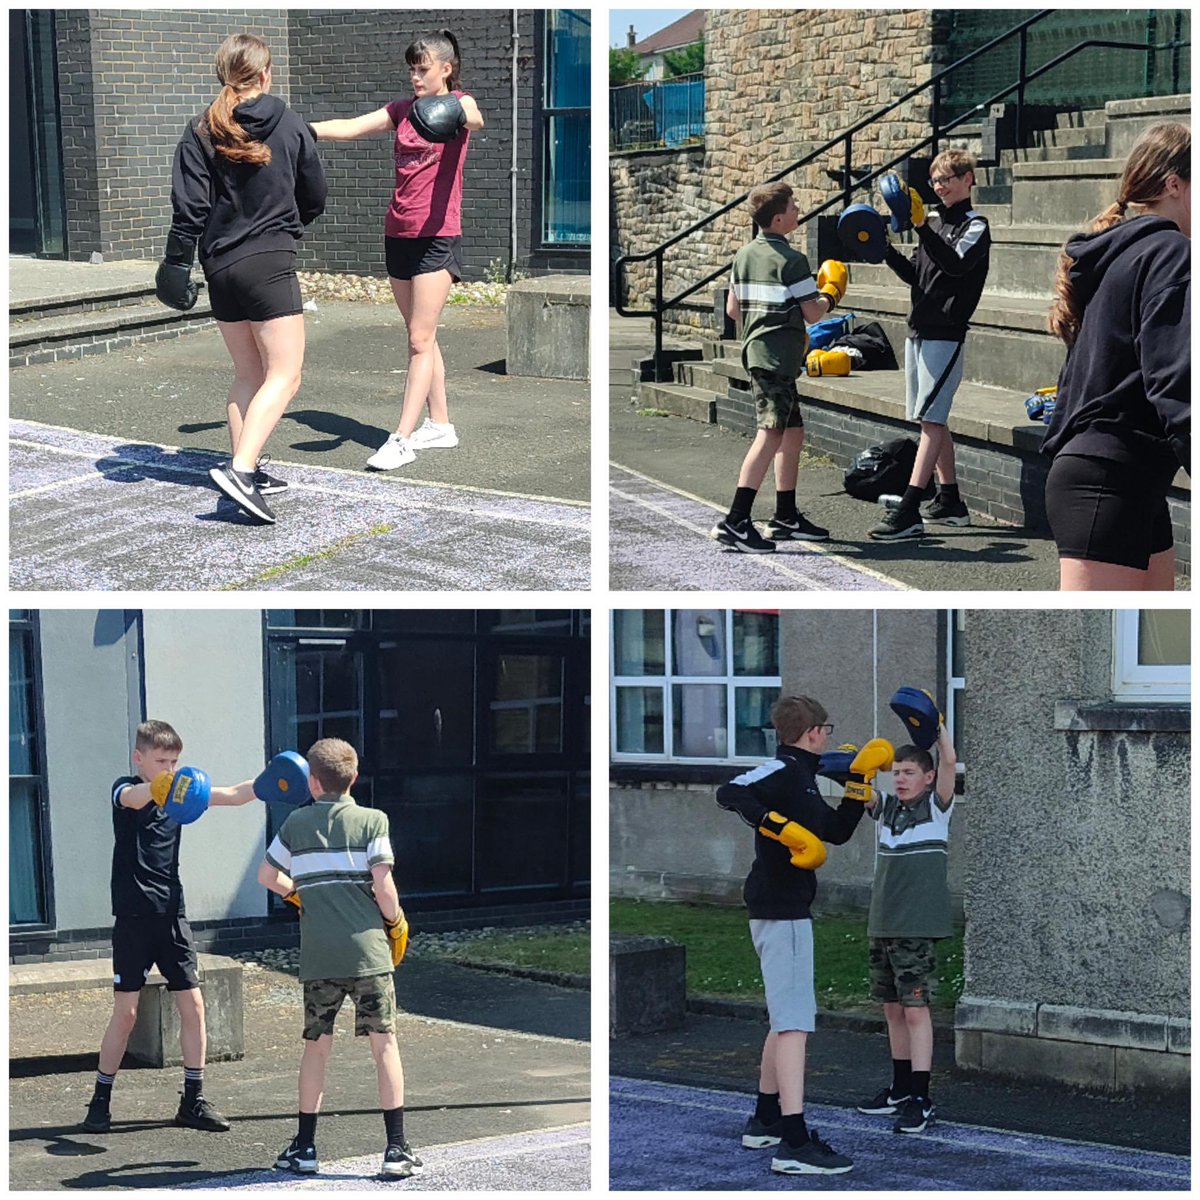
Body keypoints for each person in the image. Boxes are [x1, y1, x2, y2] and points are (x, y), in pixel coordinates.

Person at [157, 33, 327, 526]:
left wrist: (174, 264)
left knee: (248, 374)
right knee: (285, 375)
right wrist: (287, 222)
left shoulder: (201, 129)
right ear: (266, 73)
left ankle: (246, 468)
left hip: (219, 267)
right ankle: (241, 469)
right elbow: (314, 194)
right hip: (268, 262)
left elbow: (188, 209)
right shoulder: (290, 122)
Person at [310, 30, 485, 470]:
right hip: (398, 233)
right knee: (421, 336)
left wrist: (457, 110)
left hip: (437, 235)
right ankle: (441, 425)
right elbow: (351, 128)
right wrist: (302, 130)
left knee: (419, 339)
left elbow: (475, 117)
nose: (415, 76)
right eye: (411, 69)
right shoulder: (402, 111)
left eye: (422, 68)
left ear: (445, 68)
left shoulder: (459, 104)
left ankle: (402, 438)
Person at [715, 696, 873, 1175]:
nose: (828, 734)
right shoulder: (783, 769)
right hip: (778, 909)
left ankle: (764, 1119)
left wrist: (858, 788)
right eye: (826, 727)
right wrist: (776, 826)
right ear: (811, 732)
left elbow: (834, 832)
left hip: (787, 907)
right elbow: (730, 791)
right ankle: (794, 1141)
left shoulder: (804, 777)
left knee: (784, 1018)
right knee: (794, 1024)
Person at [83, 720, 260, 1135]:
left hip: (171, 917)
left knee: (194, 1006)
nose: (169, 768)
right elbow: (132, 796)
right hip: (132, 920)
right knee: (125, 1014)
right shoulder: (125, 789)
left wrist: (271, 781)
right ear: (139, 758)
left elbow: (234, 795)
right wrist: (162, 786)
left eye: (175, 761)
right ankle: (100, 1100)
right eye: (161, 761)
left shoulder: (182, 796)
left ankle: (193, 1101)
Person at [258, 738, 417, 1179]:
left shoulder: (295, 823)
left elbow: (266, 876)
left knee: (316, 1049)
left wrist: (299, 894)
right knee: (384, 1045)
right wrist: (397, 921)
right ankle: (396, 1149)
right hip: (369, 954)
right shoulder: (373, 820)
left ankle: (305, 1147)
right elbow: (383, 888)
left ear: (312, 781)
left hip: (320, 957)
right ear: (354, 778)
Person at [1042, 121, 1190, 591]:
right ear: (1174, 185)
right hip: (1108, 482)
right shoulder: (1169, 252)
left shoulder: (1126, 252)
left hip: (1128, 479)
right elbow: (1174, 380)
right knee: (1081, 651)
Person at [713, 182, 848, 553]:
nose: (797, 210)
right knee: (770, 434)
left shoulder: (742, 256)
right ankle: (736, 520)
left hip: (760, 354)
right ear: (778, 218)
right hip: (777, 359)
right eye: (792, 206)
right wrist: (833, 291)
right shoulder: (793, 261)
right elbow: (814, 312)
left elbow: (733, 311)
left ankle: (785, 516)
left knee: (792, 432)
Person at [870, 149, 991, 540]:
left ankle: (909, 509)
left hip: (947, 331)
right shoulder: (935, 224)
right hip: (919, 326)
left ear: (968, 179)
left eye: (948, 179)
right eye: (936, 181)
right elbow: (917, 274)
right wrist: (884, 249)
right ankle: (949, 499)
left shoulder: (976, 225)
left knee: (932, 420)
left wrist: (921, 226)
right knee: (930, 419)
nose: (940, 186)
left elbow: (955, 265)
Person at [856, 722, 956, 1135]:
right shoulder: (886, 809)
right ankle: (898, 1089)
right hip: (883, 922)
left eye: (908, 772)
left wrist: (938, 728)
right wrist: (855, 766)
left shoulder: (936, 807)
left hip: (916, 926)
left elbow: (949, 760)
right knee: (892, 1009)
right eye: (895, 772)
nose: (899, 778)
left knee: (916, 1012)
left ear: (927, 777)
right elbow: (857, 790)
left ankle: (921, 1097)